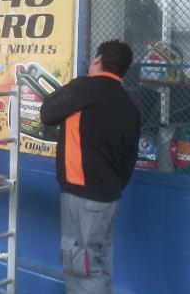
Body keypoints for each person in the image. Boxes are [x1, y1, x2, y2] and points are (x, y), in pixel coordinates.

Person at [40, 40, 141, 294]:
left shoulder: (85, 88)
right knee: (100, 262)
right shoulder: (129, 105)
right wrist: (112, 187)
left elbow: (47, 113)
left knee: (80, 266)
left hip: (81, 196)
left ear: (97, 60)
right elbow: (130, 157)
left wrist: (77, 83)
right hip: (109, 198)